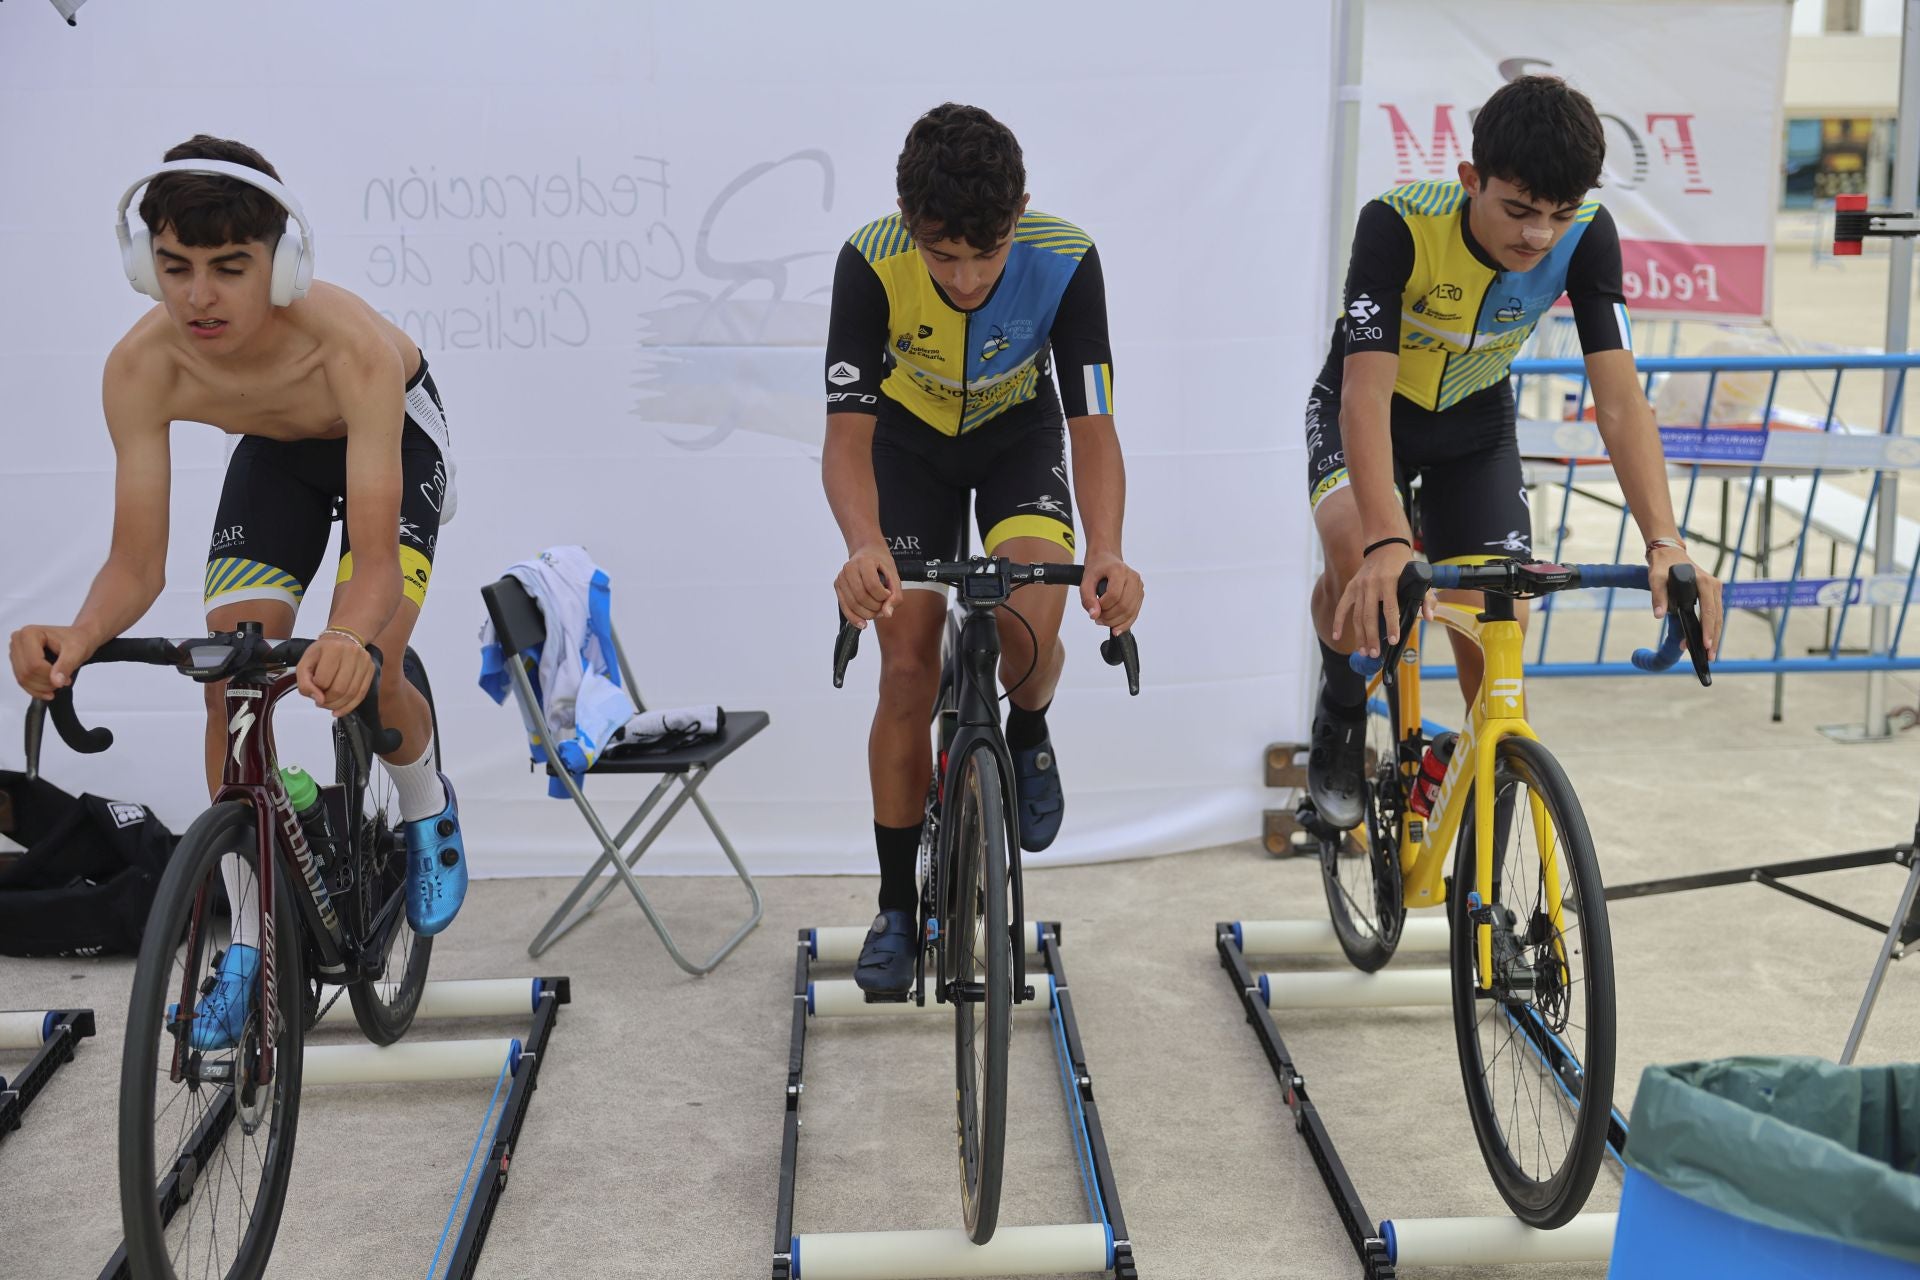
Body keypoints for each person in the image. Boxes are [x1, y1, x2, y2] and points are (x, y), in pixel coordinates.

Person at [7, 135, 468, 1046]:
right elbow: (136, 565)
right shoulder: (140, 367)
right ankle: (252, 942)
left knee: (371, 667)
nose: (197, 297)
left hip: (391, 440)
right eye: (174, 267)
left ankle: (425, 805)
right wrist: (80, 634)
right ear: (143, 265)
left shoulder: (351, 347)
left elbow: (375, 564)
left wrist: (349, 637)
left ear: (283, 265)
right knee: (231, 675)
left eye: (229, 268)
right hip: (277, 458)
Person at [1304, 76, 1725, 832]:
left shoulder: (1587, 235)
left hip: (1474, 424)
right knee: (1357, 573)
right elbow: (1364, 397)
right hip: (1372, 410)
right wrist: (1388, 541)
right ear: (1472, 180)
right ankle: (1341, 706)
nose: (1539, 236)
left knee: (1497, 632)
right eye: (1520, 210)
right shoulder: (1397, 224)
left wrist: (1665, 541)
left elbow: (1620, 402)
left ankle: (1486, 818)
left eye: (1559, 214)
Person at [822, 103, 1144, 994]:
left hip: (1017, 438)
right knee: (905, 667)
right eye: (942, 256)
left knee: (1029, 631)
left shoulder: (1065, 258)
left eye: (986, 255)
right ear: (906, 221)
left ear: (1020, 215)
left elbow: (1093, 427)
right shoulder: (869, 261)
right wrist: (862, 543)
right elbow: (846, 440)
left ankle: (1028, 730)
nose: (964, 280)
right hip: (907, 447)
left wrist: (1109, 548)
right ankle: (896, 907)